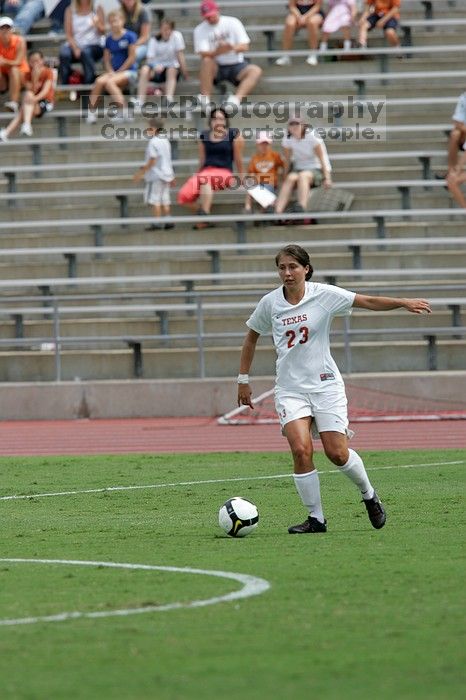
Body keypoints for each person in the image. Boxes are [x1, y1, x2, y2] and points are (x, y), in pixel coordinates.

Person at [237, 244, 432, 534]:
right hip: (290, 389)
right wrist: (243, 380)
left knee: (337, 453)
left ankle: (369, 495)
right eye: (282, 267)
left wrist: (402, 302)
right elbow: (251, 337)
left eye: (293, 267)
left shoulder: (324, 295)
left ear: (306, 269)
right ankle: (316, 519)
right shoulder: (270, 303)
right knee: (301, 450)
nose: (287, 273)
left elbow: (367, 300)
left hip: (325, 385)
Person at [177, 107, 244, 229]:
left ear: (225, 121)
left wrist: (241, 179)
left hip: (224, 173)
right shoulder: (204, 135)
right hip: (205, 172)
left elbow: (238, 159)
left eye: (220, 118)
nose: (217, 121)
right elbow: (202, 159)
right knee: (183, 196)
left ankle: (204, 218)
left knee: (205, 180)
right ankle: (203, 213)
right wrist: (196, 175)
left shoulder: (233, 134)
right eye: (214, 119)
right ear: (210, 121)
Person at [193, 0, 262, 109]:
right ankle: (205, 98)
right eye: (207, 17)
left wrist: (230, 47)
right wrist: (219, 51)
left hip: (236, 64)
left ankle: (235, 100)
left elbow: (245, 46)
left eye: (211, 15)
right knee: (207, 61)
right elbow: (203, 54)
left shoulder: (232, 22)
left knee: (255, 70)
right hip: (217, 66)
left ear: (217, 11)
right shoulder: (199, 29)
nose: (210, 19)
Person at [275, 116, 332, 218]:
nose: (294, 126)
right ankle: (277, 212)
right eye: (291, 124)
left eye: (297, 123)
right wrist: (284, 175)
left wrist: (327, 177)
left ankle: (302, 208)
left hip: (315, 168)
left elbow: (322, 158)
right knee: (290, 178)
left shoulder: (312, 136)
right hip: (299, 168)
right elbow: (287, 160)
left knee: (303, 176)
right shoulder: (287, 138)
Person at [85, 9, 137, 123]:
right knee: (99, 81)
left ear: (122, 21)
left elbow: (132, 57)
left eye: (116, 21)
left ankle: (124, 110)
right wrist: (110, 71)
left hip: (129, 72)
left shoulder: (130, 36)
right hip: (114, 73)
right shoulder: (108, 39)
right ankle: (91, 113)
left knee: (110, 83)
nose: (114, 24)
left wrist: (119, 71)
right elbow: (106, 59)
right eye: (111, 21)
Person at [0, 49, 54, 141]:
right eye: (33, 61)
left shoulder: (48, 72)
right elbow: (32, 90)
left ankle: (8, 131)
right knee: (28, 95)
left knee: (25, 104)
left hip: (45, 101)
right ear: (29, 62)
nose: (35, 63)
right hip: (31, 102)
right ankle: (25, 125)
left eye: (37, 60)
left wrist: (34, 99)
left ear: (42, 60)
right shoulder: (27, 75)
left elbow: (45, 91)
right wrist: (35, 78)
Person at [134, 18, 188, 108]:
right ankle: (140, 100)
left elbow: (180, 54)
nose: (167, 31)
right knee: (144, 69)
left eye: (169, 29)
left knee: (171, 69)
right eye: (164, 29)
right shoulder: (154, 40)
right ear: (160, 29)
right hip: (156, 70)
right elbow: (149, 58)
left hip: (172, 70)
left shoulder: (177, 36)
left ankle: (168, 98)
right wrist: (155, 66)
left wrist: (184, 71)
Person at [133, 117, 175, 230]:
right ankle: (168, 220)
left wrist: (142, 172)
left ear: (154, 128)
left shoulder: (153, 142)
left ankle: (156, 223)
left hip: (156, 175)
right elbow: (166, 159)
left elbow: (153, 159)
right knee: (165, 199)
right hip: (166, 174)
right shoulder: (165, 141)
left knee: (155, 200)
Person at [59, 0, 104, 88]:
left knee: (86, 52)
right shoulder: (70, 10)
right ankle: (66, 85)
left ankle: (88, 85)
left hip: (94, 45)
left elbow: (103, 31)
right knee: (64, 54)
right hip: (75, 45)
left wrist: (97, 24)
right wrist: (75, 48)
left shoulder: (97, 8)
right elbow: (68, 34)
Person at [243, 130, 285, 216]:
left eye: (266, 144)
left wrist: (281, 175)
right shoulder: (255, 158)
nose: (264, 146)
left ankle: (264, 211)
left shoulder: (274, 155)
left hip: (271, 183)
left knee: (266, 187)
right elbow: (251, 173)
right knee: (251, 186)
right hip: (259, 183)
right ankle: (248, 208)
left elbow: (283, 166)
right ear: (257, 145)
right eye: (262, 144)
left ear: (270, 144)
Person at [275, 0, 325, 68]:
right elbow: (292, 6)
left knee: (312, 23)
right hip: (297, 12)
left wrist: (305, 17)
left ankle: (313, 55)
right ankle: (285, 56)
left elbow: (317, 6)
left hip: (314, 12)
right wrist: (299, 17)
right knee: (289, 24)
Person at [0, 15, 27, 112]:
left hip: (20, 74)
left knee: (14, 70)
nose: (5, 30)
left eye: (7, 27)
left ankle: (14, 102)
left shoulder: (20, 41)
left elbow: (18, 62)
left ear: (12, 29)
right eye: (2, 27)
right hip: (4, 75)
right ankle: (3, 88)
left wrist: (4, 62)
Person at [118, 0, 150, 66]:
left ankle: (130, 73)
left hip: (140, 44)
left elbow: (145, 37)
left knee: (133, 55)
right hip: (124, 44)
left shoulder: (143, 12)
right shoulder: (119, 12)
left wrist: (132, 45)